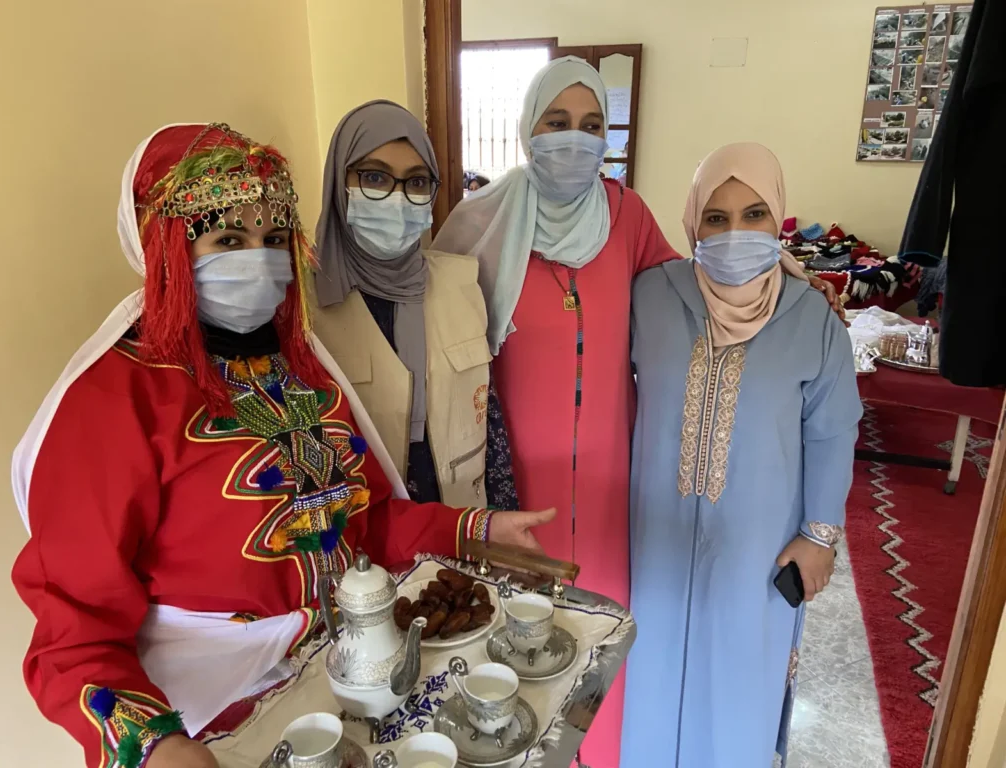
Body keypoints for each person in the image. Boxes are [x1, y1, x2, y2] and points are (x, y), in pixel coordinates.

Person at [10, 123, 552, 768]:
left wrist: (473, 526)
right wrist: (153, 747)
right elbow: (73, 632)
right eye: (229, 239)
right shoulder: (113, 401)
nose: (258, 260)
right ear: (167, 250)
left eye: (272, 240)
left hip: (345, 672)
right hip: (201, 715)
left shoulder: (301, 369)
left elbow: (360, 520)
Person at [432, 57, 842, 767]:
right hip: (516, 472)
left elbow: (697, 276)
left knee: (615, 632)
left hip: (617, 479)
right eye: (557, 124)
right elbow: (432, 306)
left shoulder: (626, 216)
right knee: (520, 628)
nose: (575, 141)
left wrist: (790, 275)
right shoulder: (483, 220)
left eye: (592, 125)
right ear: (528, 128)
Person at [621, 143, 862, 768]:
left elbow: (834, 430)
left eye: (754, 215)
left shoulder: (813, 317)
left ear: (778, 218)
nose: (734, 233)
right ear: (692, 223)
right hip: (655, 540)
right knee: (648, 669)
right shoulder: (651, 294)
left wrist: (819, 535)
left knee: (737, 684)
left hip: (758, 547)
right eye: (715, 218)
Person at [313, 100, 519, 511]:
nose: (397, 198)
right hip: (359, 533)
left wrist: (498, 528)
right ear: (339, 180)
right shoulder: (299, 304)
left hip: (457, 515)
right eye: (373, 176)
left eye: (418, 182)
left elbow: (488, 420)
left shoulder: (461, 282)